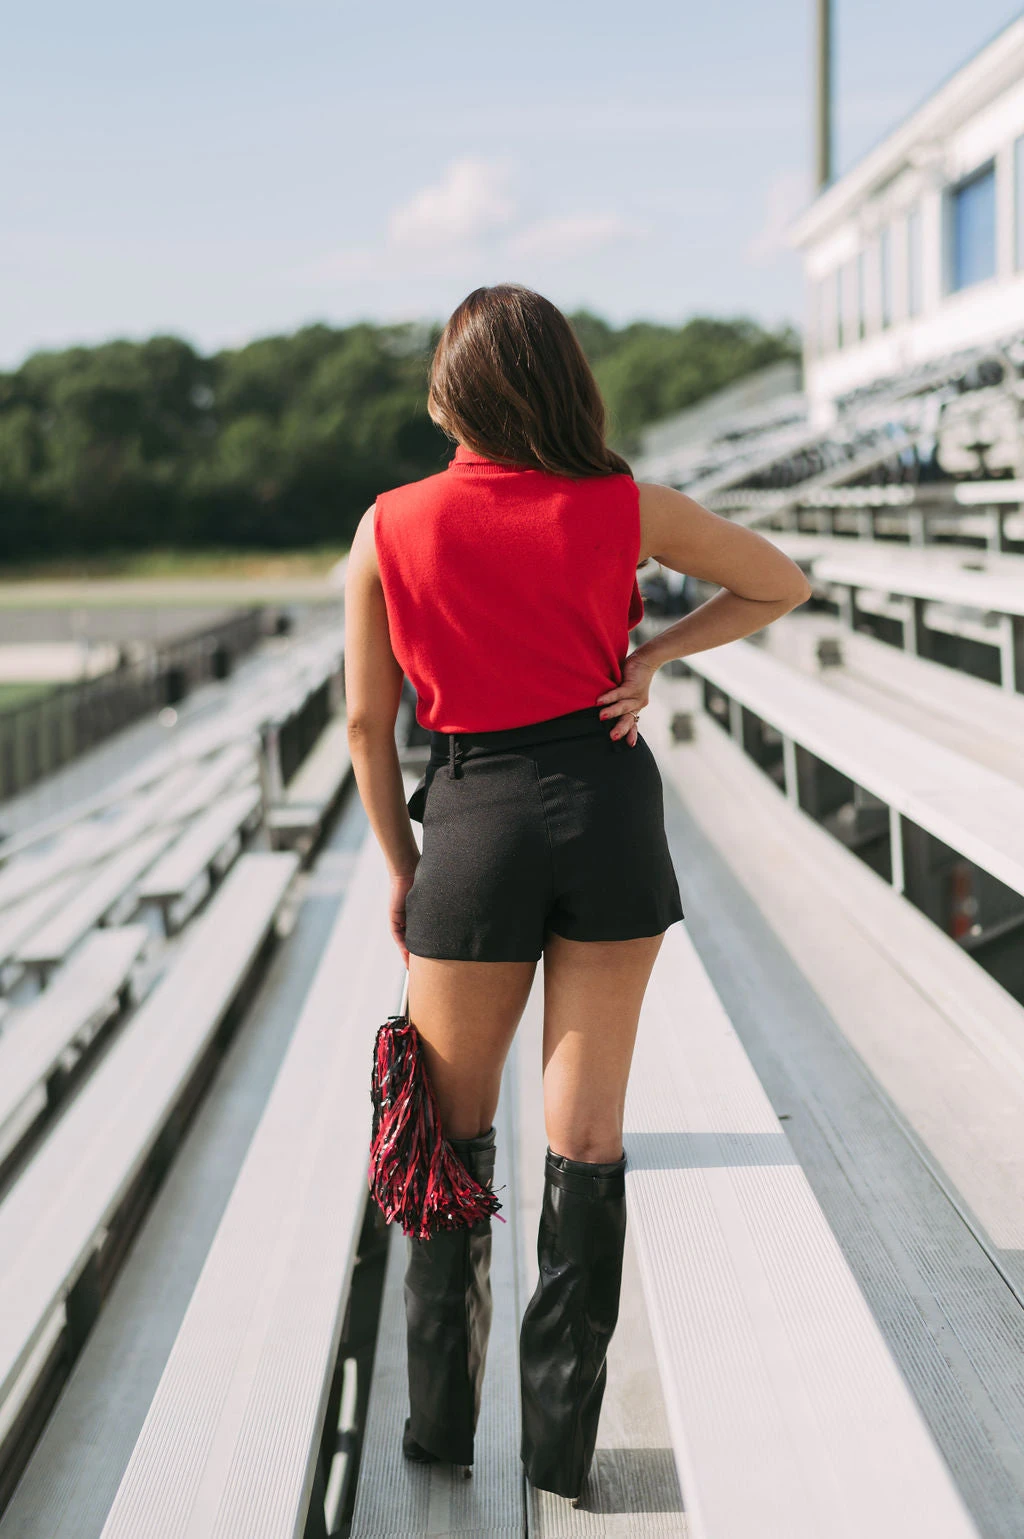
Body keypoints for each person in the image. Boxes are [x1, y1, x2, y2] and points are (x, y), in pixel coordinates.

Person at [343, 283, 811, 1504]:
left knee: (444, 1137)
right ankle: (559, 1450)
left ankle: (442, 1431)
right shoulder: (624, 505)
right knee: (586, 1136)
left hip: (475, 820)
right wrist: (648, 659)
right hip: (604, 807)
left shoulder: (388, 522)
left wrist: (403, 862)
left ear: (461, 386)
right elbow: (777, 583)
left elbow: (364, 721)